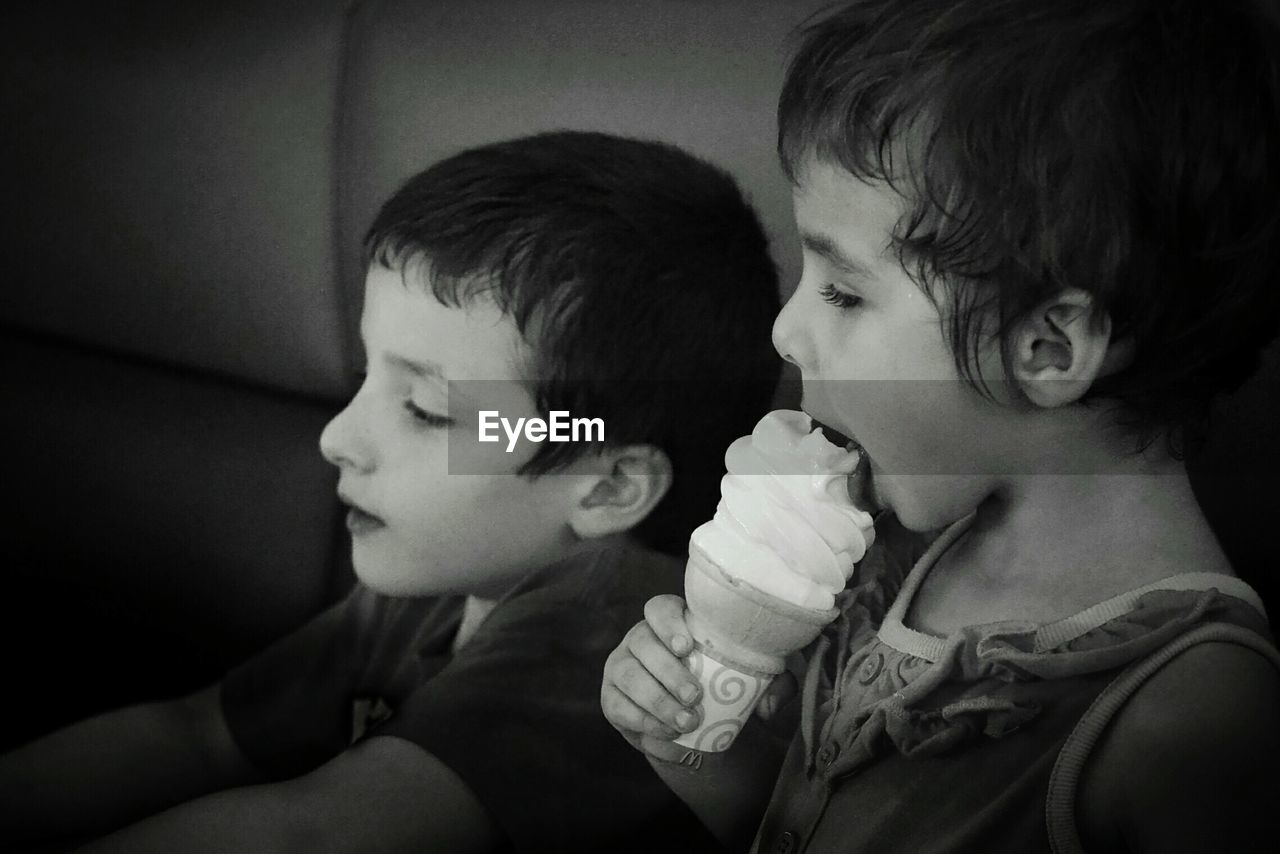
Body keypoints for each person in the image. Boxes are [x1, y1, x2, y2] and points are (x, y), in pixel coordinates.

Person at [601, 1, 1280, 851]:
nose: (785, 330)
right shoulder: (890, 557)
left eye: (844, 291)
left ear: (1047, 344)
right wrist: (692, 742)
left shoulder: (1192, 717)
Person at [0, 130, 782, 853]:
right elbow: (197, 734)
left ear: (607, 483)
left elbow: (310, 834)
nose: (336, 437)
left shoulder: (615, 641)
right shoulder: (440, 575)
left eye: (425, 409)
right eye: (363, 378)